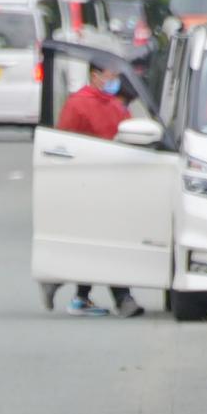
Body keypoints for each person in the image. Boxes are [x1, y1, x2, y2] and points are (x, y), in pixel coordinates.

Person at [41, 62, 144, 319]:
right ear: (95, 76)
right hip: (87, 181)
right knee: (107, 239)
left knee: (104, 240)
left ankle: (69, 287)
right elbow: (64, 143)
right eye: (110, 75)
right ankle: (122, 298)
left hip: (114, 183)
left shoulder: (115, 106)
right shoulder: (79, 104)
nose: (114, 81)